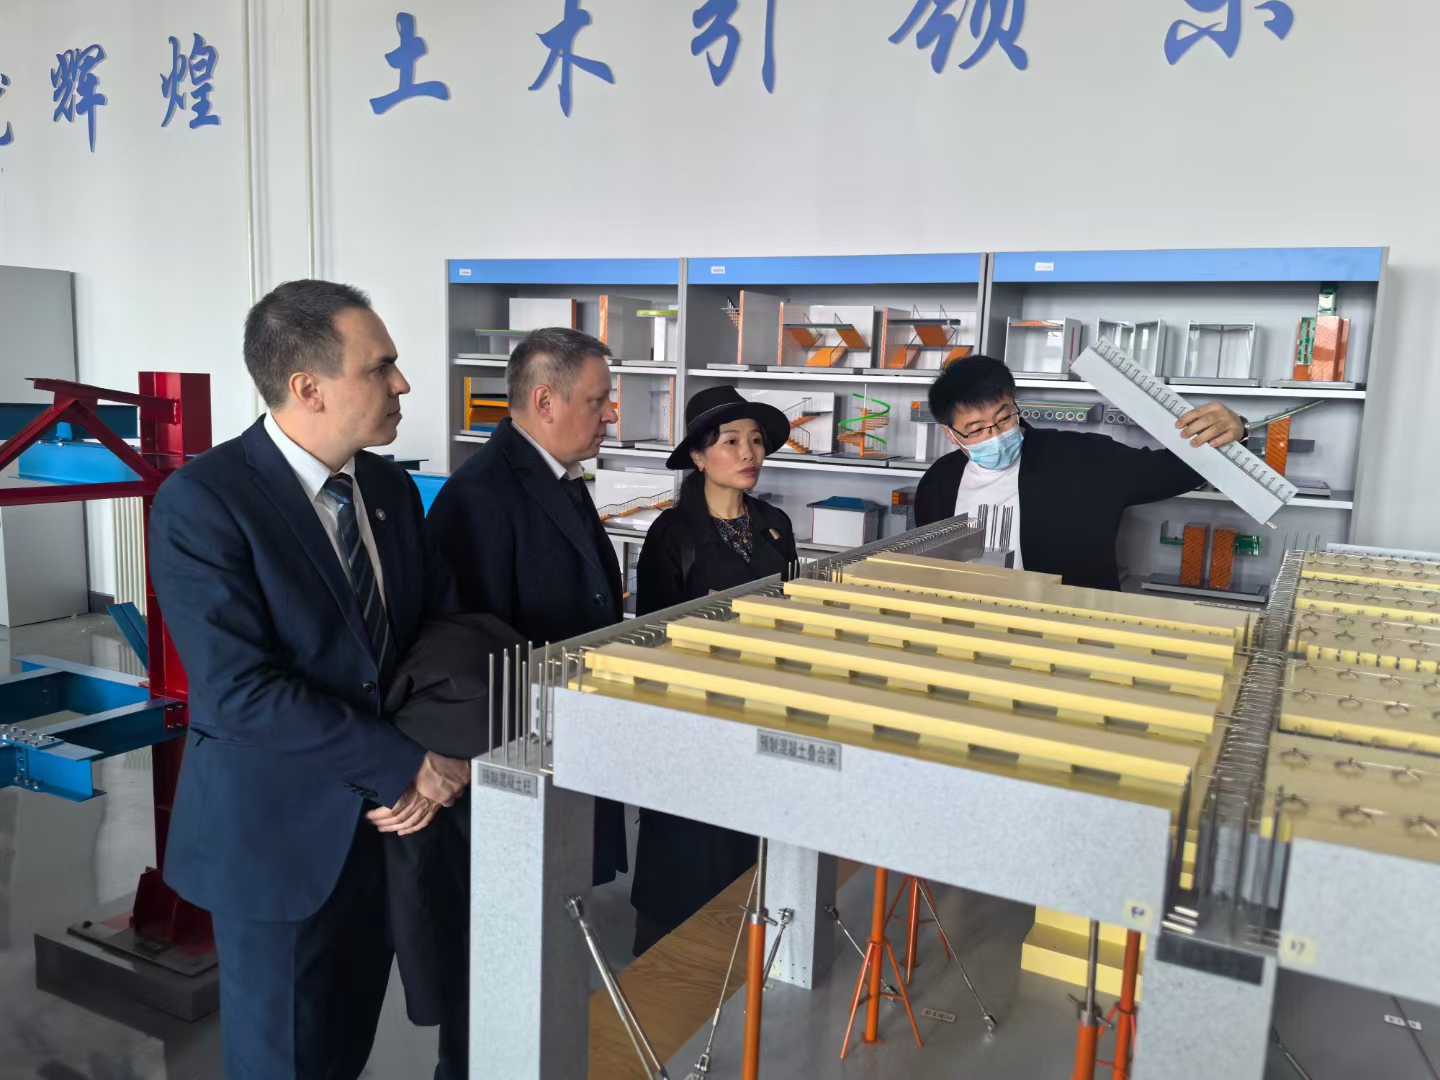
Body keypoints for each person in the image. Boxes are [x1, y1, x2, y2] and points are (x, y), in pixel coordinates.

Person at [148, 280, 468, 1080]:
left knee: (345, 1047)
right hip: (279, 843)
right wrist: (403, 765)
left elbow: (431, 634)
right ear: (308, 387)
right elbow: (239, 689)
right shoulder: (205, 502)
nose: (402, 384)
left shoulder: (387, 489)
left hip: (389, 834)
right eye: (381, 367)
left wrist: (443, 750)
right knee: (286, 1061)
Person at [427, 326, 629, 887]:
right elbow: (472, 656)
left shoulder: (557, 474)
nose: (611, 415)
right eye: (597, 400)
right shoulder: (481, 495)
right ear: (544, 401)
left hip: (562, 734)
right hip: (520, 756)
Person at [628, 385, 798, 955]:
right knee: (686, 836)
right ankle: (665, 950)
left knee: (745, 833)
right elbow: (651, 638)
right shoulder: (672, 534)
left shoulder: (775, 523)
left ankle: (737, 945)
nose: (749, 453)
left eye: (756, 441)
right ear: (698, 457)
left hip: (760, 704)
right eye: (730, 441)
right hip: (691, 713)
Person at [914, 356, 1248, 590]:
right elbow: (933, 568)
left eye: (1004, 418)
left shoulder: (1082, 458)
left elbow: (1172, 472)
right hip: (970, 627)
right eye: (976, 429)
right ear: (951, 433)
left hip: (1070, 630)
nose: (996, 435)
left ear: (1014, 405)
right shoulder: (939, 482)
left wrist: (1234, 432)